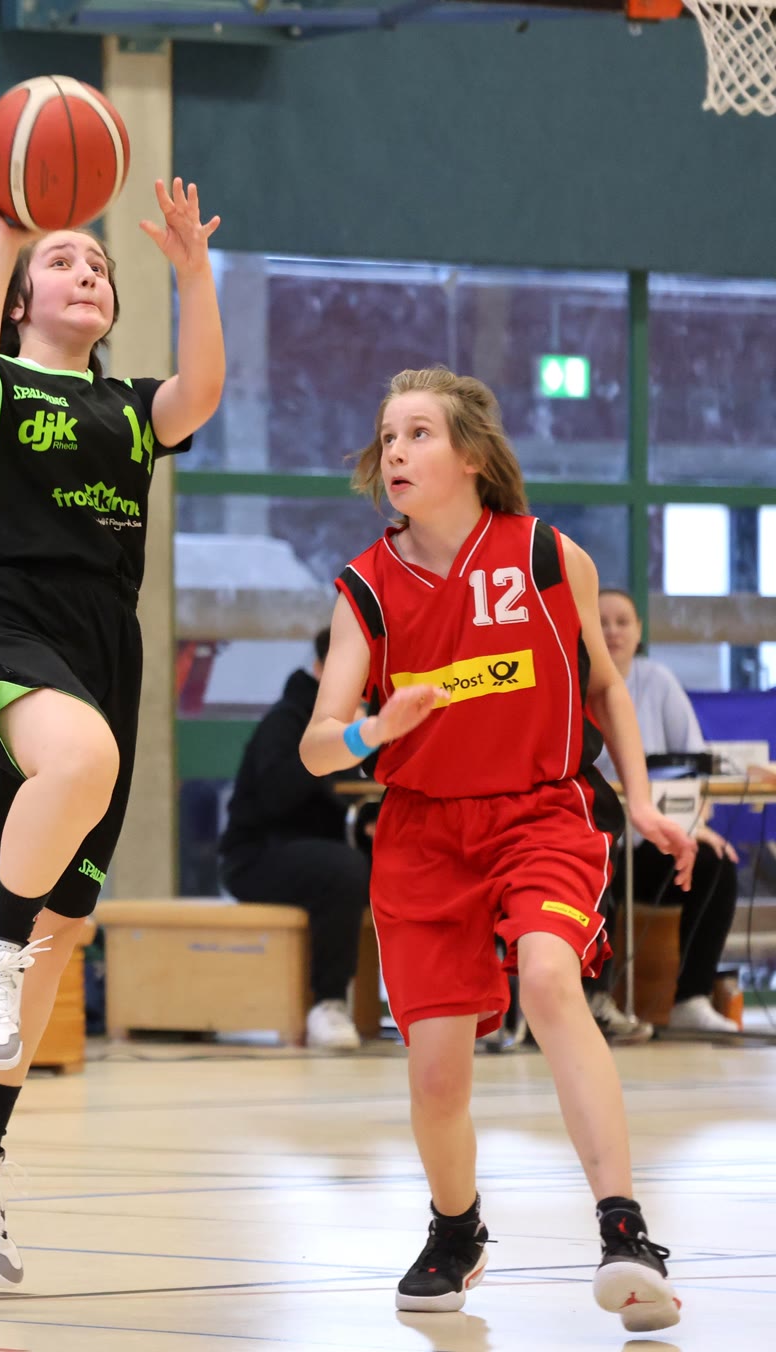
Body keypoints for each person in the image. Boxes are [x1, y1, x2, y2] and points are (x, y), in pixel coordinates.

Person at [300, 367, 694, 1333]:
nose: (397, 452)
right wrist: (372, 730)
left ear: (471, 455)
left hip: (540, 813)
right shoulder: (366, 589)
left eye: (419, 433)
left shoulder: (550, 556)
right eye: (387, 437)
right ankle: (456, 1228)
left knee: (551, 981)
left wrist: (643, 801)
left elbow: (604, 690)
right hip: (423, 835)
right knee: (437, 1072)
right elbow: (317, 745)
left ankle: (625, 1229)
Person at [0, 169, 225, 1289]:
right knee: (76, 763)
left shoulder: (129, 408)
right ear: (21, 300)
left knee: (65, 927)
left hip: (100, 645)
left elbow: (200, 391)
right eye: (62, 260)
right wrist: (0, 239)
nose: (84, 271)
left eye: (98, 264)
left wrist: (192, 274)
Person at [596, 587, 741, 1034]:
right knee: (591, 866)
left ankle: (691, 998)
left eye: (622, 622)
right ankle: (595, 1000)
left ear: (639, 630)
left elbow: (695, 765)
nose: (612, 632)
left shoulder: (658, 682)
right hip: (595, 836)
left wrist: (692, 825)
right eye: (601, 622)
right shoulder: (572, 681)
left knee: (716, 863)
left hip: (652, 838)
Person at [219, 629, 369, 1051]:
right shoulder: (287, 720)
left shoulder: (369, 719)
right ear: (322, 669)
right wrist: (331, 750)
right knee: (342, 870)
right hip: (258, 856)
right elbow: (276, 797)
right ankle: (329, 1003)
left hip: (327, 848)